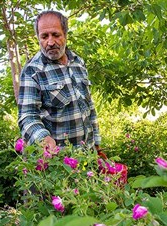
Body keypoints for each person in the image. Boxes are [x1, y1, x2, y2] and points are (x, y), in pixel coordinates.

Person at [17, 10, 104, 156]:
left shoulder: (78, 62)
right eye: (44, 36)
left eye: (56, 35)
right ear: (38, 38)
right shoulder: (33, 70)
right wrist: (42, 138)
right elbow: (27, 116)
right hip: (58, 163)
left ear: (65, 34)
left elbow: (89, 107)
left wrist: (97, 146)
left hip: (88, 158)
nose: (50, 42)